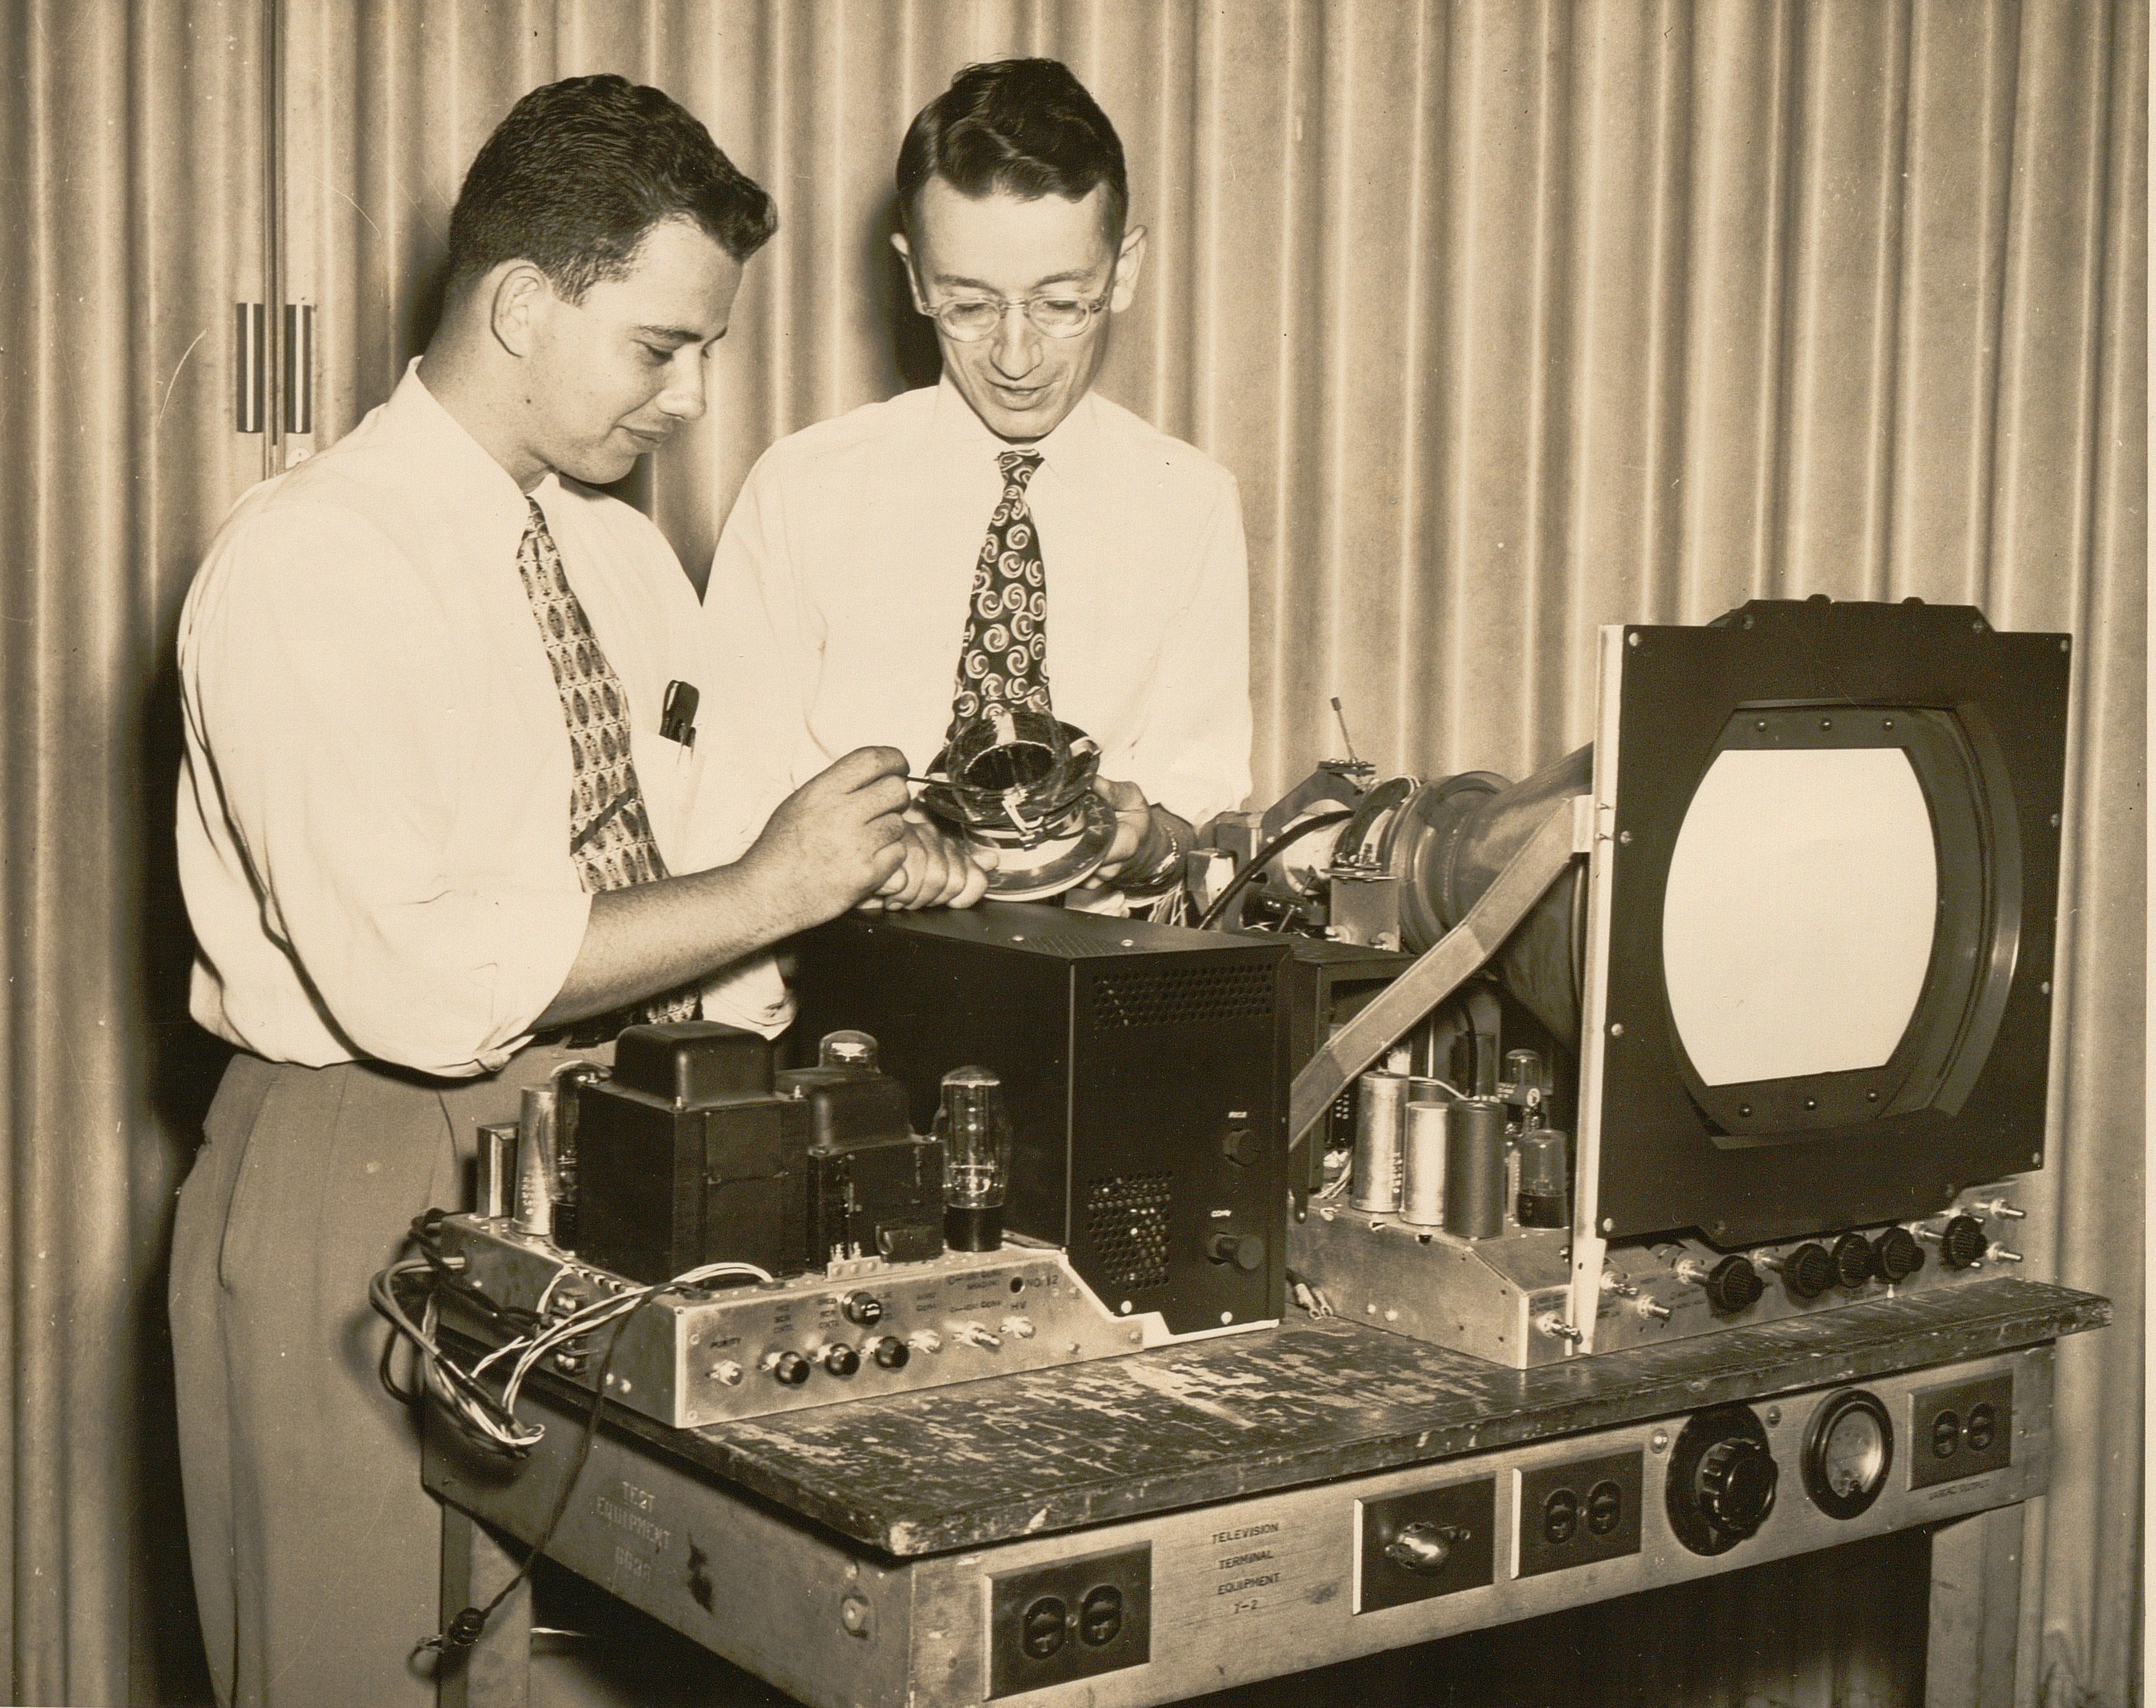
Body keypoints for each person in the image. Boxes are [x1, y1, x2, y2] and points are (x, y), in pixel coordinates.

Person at [169, 75, 981, 1708]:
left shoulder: (615, 559)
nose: (690, 400)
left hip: (607, 1162)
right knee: (363, 1672)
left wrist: (858, 874)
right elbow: (419, 979)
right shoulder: (313, 561)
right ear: (526, 306)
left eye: (709, 354)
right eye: (662, 347)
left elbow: (695, 877)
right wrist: (766, 889)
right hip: (364, 1157)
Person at [705, 58, 1252, 900]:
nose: (1016, 355)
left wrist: (1149, 841)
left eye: (1062, 303)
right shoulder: (799, 492)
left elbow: (1203, 799)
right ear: (915, 276)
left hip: (1097, 984)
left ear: (1126, 269)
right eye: (969, 305)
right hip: (859, 981)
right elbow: (725, 812)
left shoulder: (1191, 503)